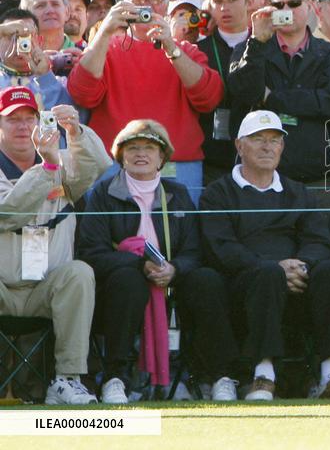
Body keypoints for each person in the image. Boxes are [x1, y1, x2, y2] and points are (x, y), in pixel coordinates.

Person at [200, 110, 330, 401]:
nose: (267, 147)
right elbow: (221, 247)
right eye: (258, 139)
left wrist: (301, 266)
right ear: (239, 146)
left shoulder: (298, 192)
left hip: (297, 286)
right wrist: (273, 267)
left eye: (274, 140)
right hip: (242, 290)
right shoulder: (218, 193)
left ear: (282, 148)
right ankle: (263, 376)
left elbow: (318, 240)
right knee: (267, 274)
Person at [77, 120, 239, 403]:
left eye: (150, 148)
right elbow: (91, 253)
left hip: (171, 283)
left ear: (162, 157)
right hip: (118, 288)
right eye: (133, 148)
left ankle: (218, 376)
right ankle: (116, 377)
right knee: (128, 282)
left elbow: (195, 251)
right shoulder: (103, 194)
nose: (141, 154)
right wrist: (139, 266)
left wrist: (175, 270)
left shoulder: (178, 194)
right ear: (120, 155)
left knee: (208, 280)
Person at [68, 0, 223, 196]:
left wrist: (171, 47)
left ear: (167, 5)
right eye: (139, 1)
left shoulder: (186, 50)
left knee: (179, 230)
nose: (148, 8)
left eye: (156, 0)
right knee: (111, 229)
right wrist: (104, 32)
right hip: (115, 162)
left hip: (177, 163)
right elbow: (82, 93)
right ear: (125, 6)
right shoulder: (107, 49)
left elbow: (208, 98)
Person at [0, 87, 110, 404]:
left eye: (30, 119)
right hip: (3, 291)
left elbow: (97, 166)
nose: (23, 127)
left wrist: (75, 132)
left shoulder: (57, 161)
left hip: (45, 289)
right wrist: (47, 170)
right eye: (13, 120)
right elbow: (8, 215)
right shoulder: (51, 165)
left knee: (79, 273)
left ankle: (67, 380)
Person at [227, 0, 330, 201]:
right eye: (278, 4)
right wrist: (256, 42)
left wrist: (272, 98)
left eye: (294, 3)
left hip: (318, 178)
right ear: (266, 5)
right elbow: (245, 92)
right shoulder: (249, 49)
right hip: (260, 180)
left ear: (310, 5)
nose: (286, 11)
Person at [197, 0, 253, 185]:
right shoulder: (199, 50)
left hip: (255, 158)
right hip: (211, 160)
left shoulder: (262, 45)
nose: (224, 7)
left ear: (247, 1)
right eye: (217, 1)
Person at [0, 9, 75, 109]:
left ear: (39, 41)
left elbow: (69, 119)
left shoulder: (59, 82)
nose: (18, 43)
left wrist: (45, 76)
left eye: (26, 37)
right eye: (11, 36)